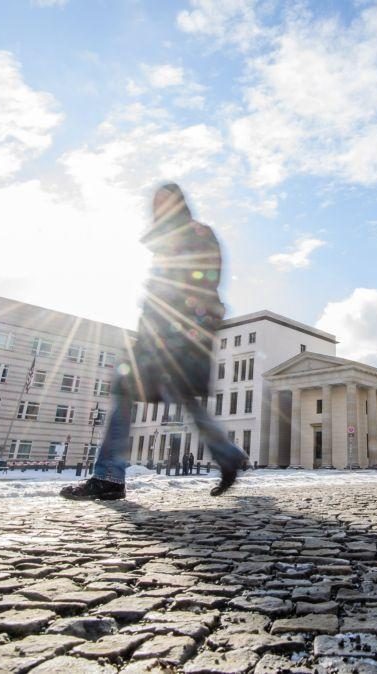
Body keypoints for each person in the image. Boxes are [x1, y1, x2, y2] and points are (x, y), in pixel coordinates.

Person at [61, 184, 247, 501]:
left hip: (178, 335)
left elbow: (199, 281)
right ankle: (228, 455)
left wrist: (182, 323)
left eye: (165, 203)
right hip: (159, 334)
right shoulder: (166, 241)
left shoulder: (195, 234)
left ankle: (109, 477)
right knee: (168, 397)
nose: (159, 209)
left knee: (158, 395)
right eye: (156, 204)